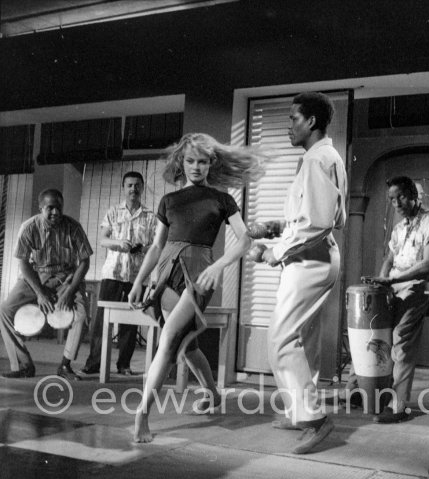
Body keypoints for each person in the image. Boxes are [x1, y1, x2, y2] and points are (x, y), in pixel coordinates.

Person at [130, 132, 265, 443]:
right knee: (185, 345)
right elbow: (156, 245)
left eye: (202, 161)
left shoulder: (223, 200)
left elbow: (245, 240)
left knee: (167, 340)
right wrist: (139, 281)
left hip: (200, 272)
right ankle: (213, 393)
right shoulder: (169, 201)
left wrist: (217, 267)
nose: (195, 166)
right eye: (190, 161)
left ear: (211, 164)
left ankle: (141, 415)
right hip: (166, 271)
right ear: (181, 162)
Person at [261, 92, 348, 454]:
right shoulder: (325, 157)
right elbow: (323, 215)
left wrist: (275, 251)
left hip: (310, 259)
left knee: (280, 338)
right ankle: (302, 411)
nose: (288, 127)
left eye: (294, 119)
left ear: (312, 121)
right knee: (303, 338)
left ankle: (314, 419)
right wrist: (278, 226)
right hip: (314, 257)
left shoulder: (316, 160)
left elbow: (318, 223)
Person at [370, 175, 429, 423]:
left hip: (418, 284)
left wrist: (392, 280)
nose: (396, 203)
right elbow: (388, 260)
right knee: (376, 334)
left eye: (400, 197)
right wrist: (382, 282)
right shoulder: (399, 227)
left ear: (414, 194)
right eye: (392, 199)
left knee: (400, 339)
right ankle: (368, 394)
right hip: (393, 285)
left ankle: (398, 406)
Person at [0, 188, 93, 380]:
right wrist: (40, 294)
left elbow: (84, 262)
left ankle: (65, 365)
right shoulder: (28, 227)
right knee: (5, 310)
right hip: (36, 276)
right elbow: (24, 264)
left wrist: (69, 292)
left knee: (82, 315)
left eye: (59, 207)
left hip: (65, 278)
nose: (56, 213)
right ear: (40, 207)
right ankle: (23, 365)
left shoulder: (73, 227)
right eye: (50, 208)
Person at [81, 171, 156, 376]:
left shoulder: (151, 217)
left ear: (142, 188)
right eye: (130, 185)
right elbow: (103, 239)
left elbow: (157, 245)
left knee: (131, 322)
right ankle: (94, 363)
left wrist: (143, 248)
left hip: (137, 277)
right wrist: (119, 244)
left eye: (137, 185)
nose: (133, 189)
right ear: (124, 188)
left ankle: (124, 365)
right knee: (101, 320)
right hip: (113, 274)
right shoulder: (113, 212)